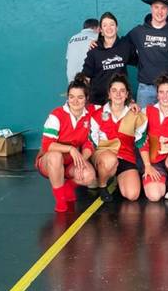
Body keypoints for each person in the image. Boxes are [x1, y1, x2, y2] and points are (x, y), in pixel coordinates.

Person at [36, 74, 97, 212]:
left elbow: (89, 143)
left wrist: (81, 161)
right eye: (71, 97)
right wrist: (71, 149)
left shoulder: (90, 114)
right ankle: (60, 199)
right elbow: (47, 145)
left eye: (80, 97)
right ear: (67, 97)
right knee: (55, 156)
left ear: (86, 98)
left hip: (70, 162)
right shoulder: (56, 115)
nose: (75, 101)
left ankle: (68, 187)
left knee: (89, 175)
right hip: (49, 161)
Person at [89, 73, 148, 202]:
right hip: (103, 155)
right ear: (109, 94)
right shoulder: (97, 114)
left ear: (127, 95)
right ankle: (102, 185)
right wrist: (87, 164)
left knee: (132, 195)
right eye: (114, 90)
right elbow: (91, 143)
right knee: (110, 160)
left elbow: (141, 143)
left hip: (125, 156)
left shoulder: (136, 115)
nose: (118, 94)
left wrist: (148, 165)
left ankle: (116, 176)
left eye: (122, 91)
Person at [127, 0, 168, 107]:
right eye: (156, 7)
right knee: (144, 119)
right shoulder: (138, 32)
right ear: (151, 8)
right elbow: (121, 48)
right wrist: (98, 40)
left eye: (163, 8)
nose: (160, 11)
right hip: (145, 90)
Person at [82, 12, 138, 105]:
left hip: (120, 100)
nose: (109, 28)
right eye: (105, 25)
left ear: (117, 27)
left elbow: (139, 61)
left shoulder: (125, 46)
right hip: (98, 101)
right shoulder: (94, 50)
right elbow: (86, 77)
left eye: (112, 24)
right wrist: (83, 98)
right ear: (101, 30)